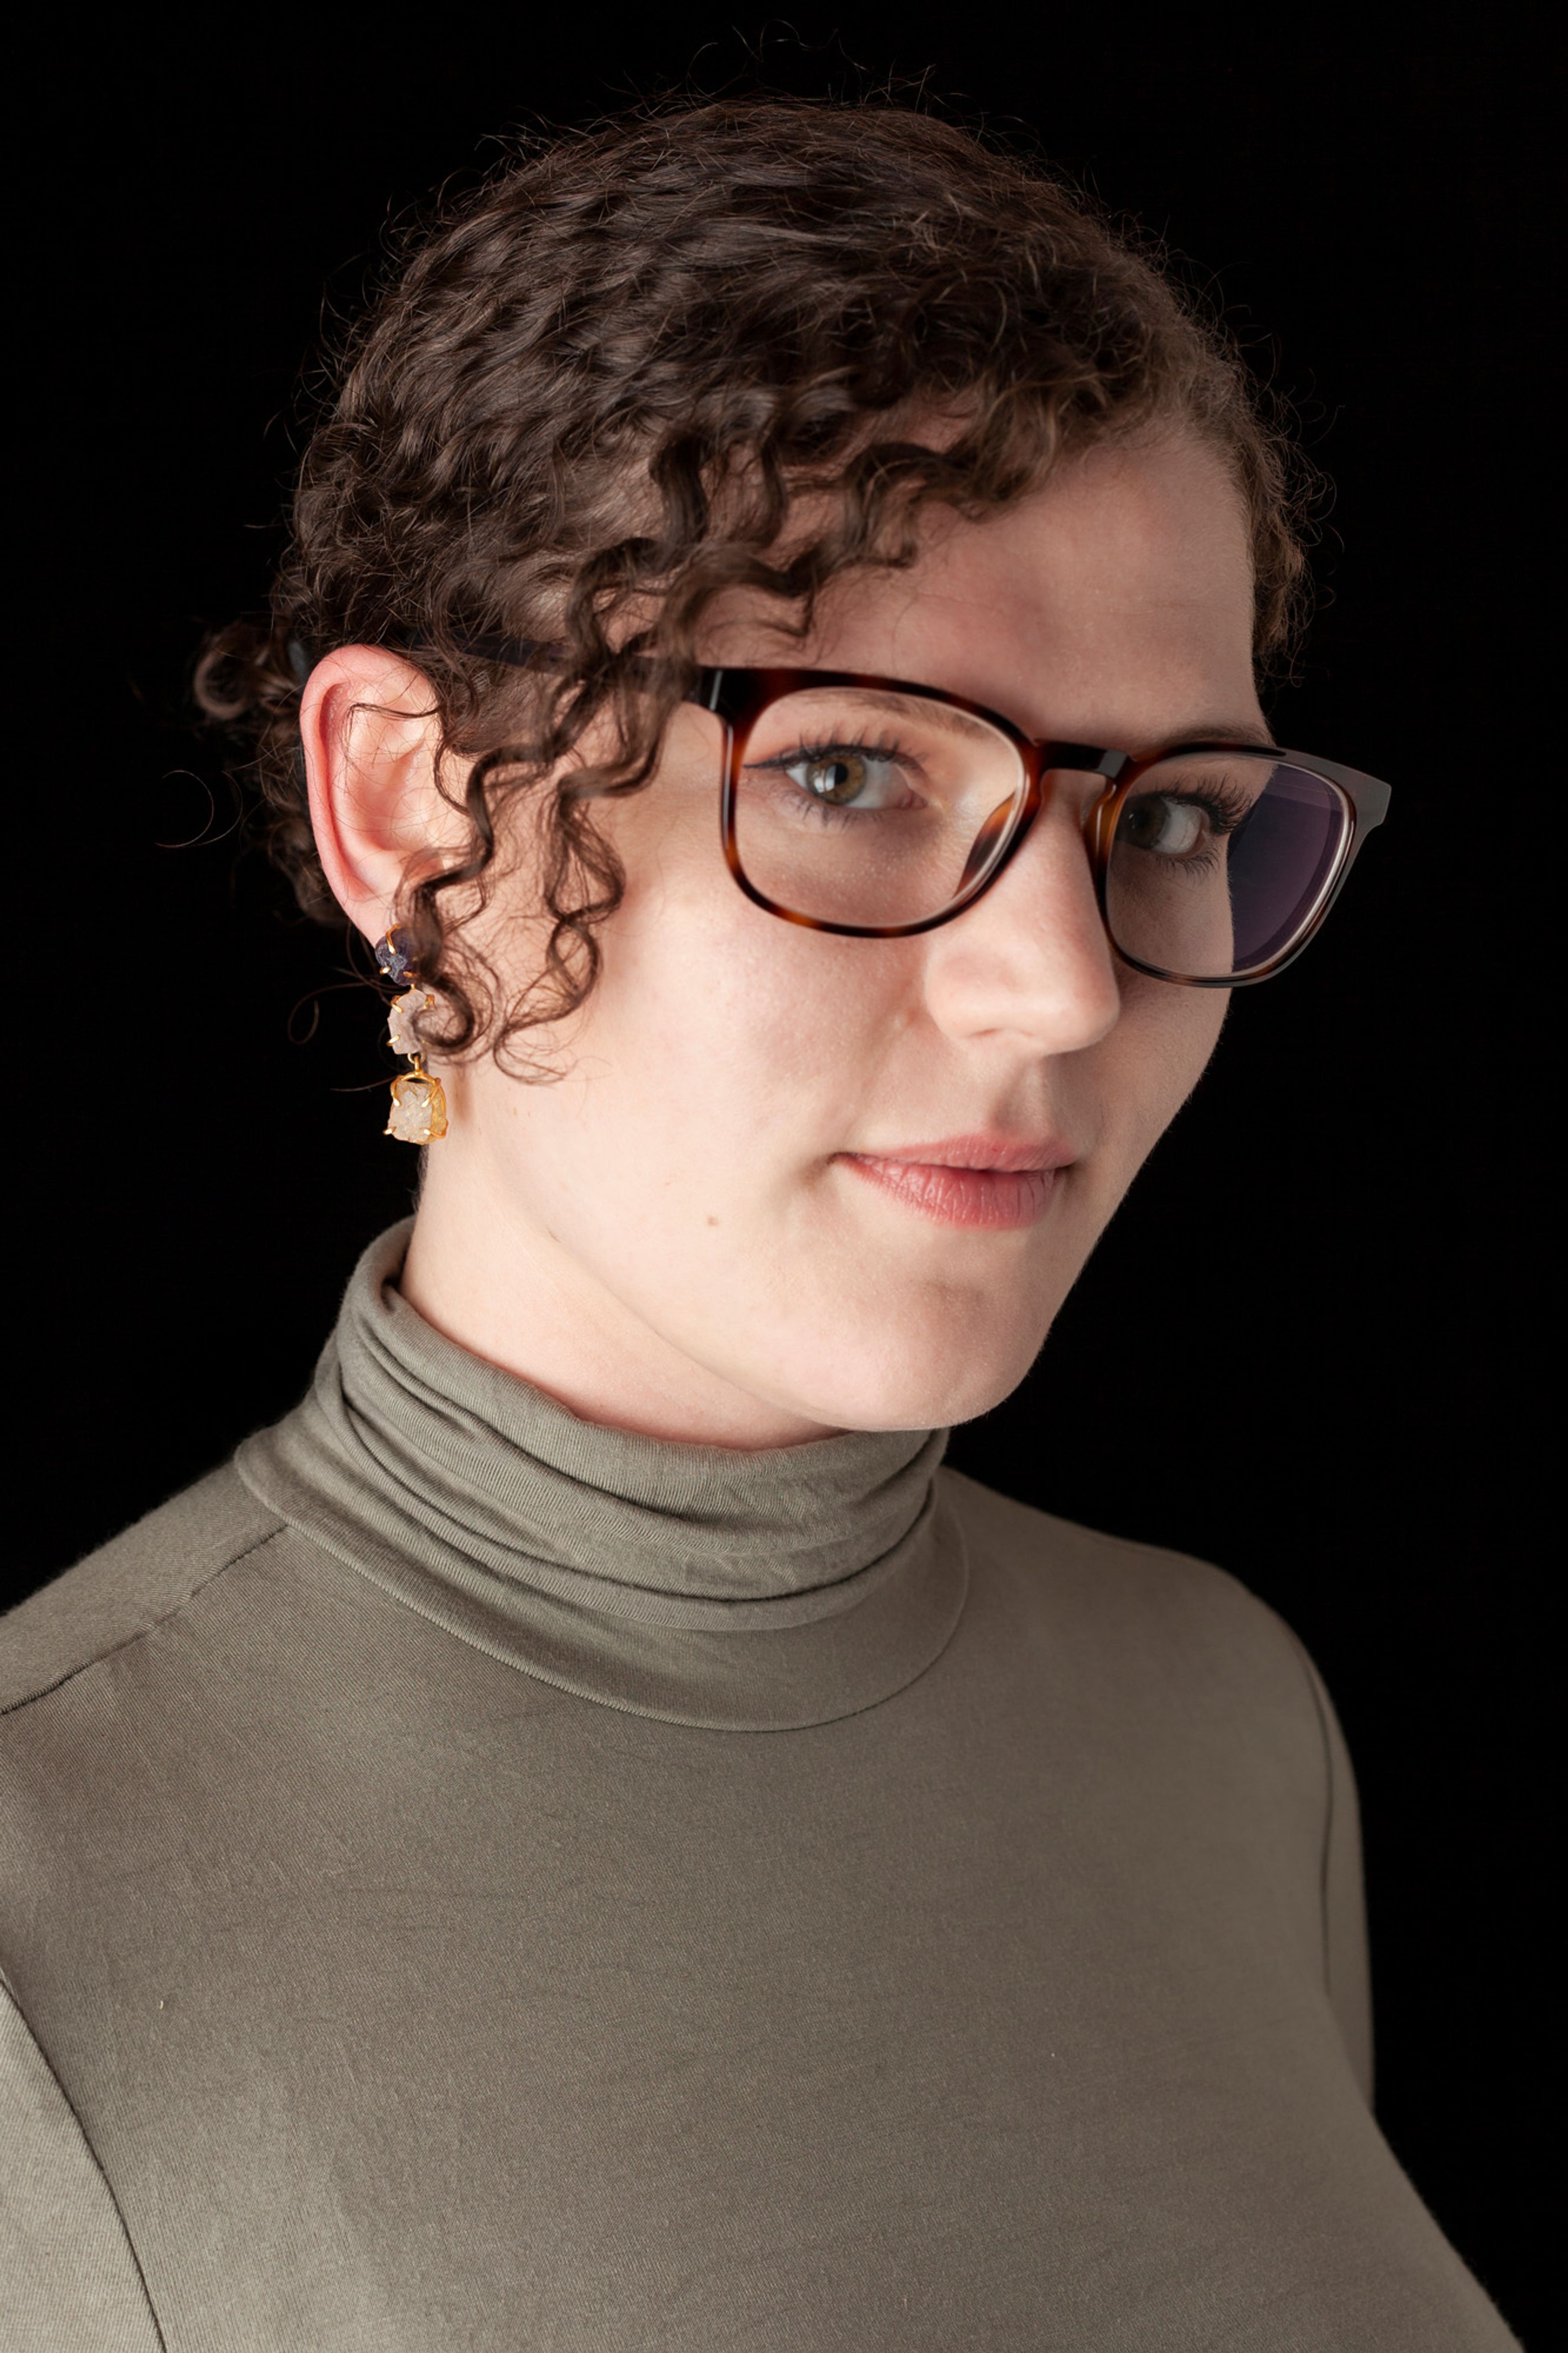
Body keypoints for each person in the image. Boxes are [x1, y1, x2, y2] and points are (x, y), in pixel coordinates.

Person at [0, 98, 1517, 2350]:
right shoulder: (36, 1916)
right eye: (849, 768)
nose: (1069, 984)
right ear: (415, 814)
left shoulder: (1230, 1725)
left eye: (1172, 812)